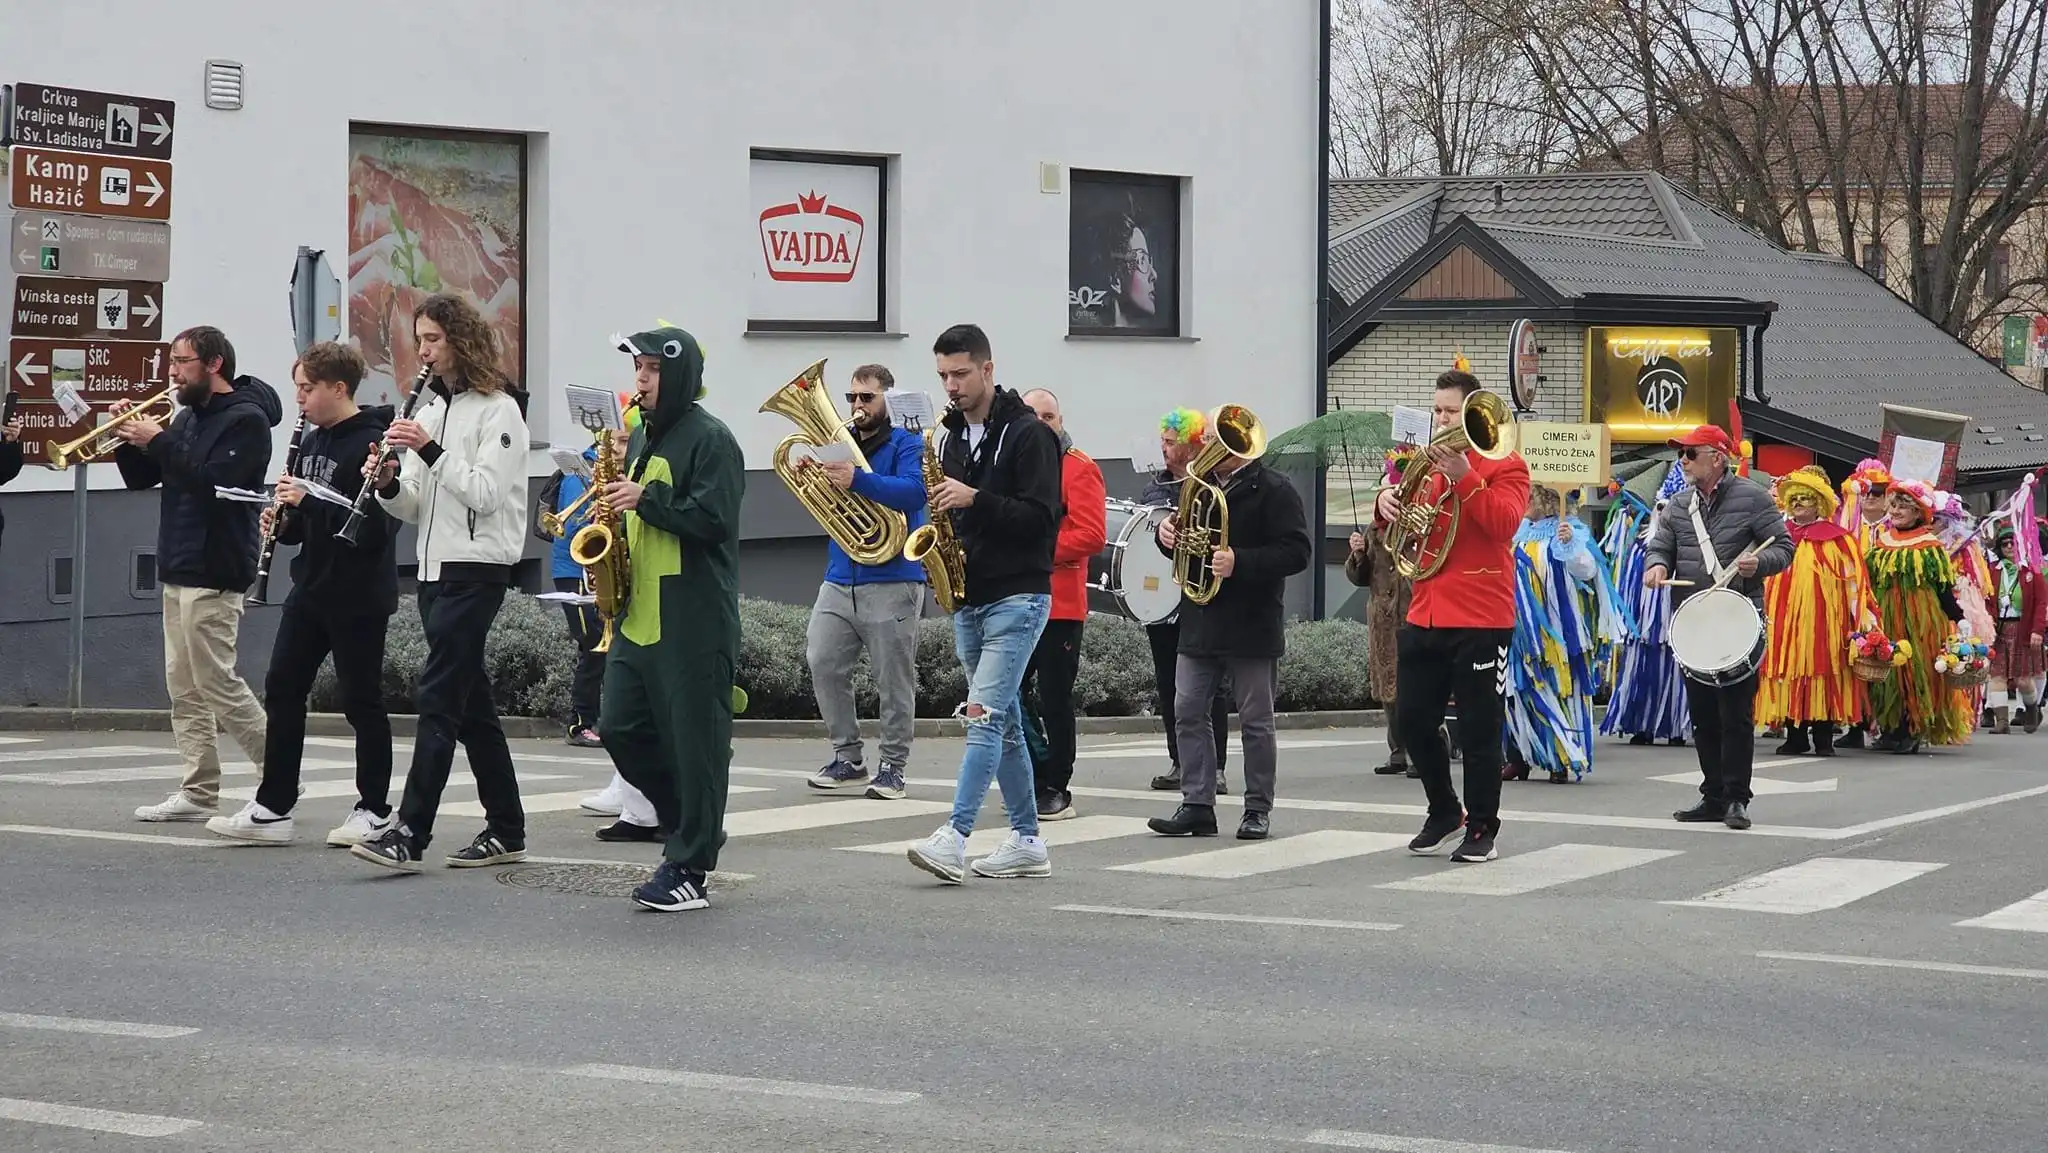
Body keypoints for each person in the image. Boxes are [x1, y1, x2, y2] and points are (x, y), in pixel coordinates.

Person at [351, 293, 533, 872]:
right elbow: (415, 507)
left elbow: (483, 492)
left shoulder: (499, 410)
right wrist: (385, 483)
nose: (422, 350)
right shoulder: (430, 411)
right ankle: (506, 826)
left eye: (432, 339)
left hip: (477, 569)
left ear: (459, 341)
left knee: (438, 699)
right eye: (420, 339)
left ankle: (410, 831)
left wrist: (429, 451)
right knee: (470, 703)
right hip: (432, 570)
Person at [206, 341, 397, 845]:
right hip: (310, 586)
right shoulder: (311, 442)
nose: (300, 399)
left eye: (308, 388)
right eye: (297, 388)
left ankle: (375, 808)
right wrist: (282, 520)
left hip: (358, 592)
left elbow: (372, 531)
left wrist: (308, 504)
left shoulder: (372, 443)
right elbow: (304, 524)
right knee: (283, 688)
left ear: (339, 388)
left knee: (362, 701)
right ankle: (274, 804)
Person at [589, 324, 745, 912]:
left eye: (651, 371)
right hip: (639, 614)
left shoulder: (712, 439)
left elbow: (714, 520)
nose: (640, 381)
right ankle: (689, 824)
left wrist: (643, 500)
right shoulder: (645, 437)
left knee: (697, 746)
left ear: (677, 375)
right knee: (619, 725)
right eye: (638, 371)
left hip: (692, 617)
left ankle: (689, 867)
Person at [905, 324, 1063, 884]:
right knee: (1009, 723)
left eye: (961, 374)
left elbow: (1044, 518)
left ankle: (955, 835)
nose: (950, 385)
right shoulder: (949, 438)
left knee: (984, 717)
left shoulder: (1028, 435)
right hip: (971, 594)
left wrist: (977, 499)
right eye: (943, 375)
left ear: (989, 370)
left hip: (1019, 594)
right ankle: (1026, 840)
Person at [112, 325, 283, 822]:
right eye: (170, 364)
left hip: (218, 565)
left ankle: (278, 779)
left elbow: (216, 483)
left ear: (213, 365)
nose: (171, 373)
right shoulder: (187, 417)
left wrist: (160, 439)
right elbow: (142, 479)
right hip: (179, 562)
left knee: (216, 682)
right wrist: (127, 437)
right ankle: (198, 789)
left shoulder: (247, 421)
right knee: (183, 687)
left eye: (181, 363)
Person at [1373, 367, 1530, 863]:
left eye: (1449, 411)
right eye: (1436, 409)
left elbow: (1504, 524)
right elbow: (1404, 531)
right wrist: (1385, 504)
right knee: (1415, 721)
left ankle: (1483, 827)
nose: (1440, 419)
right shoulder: (1424, 466)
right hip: (1427, 608)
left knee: (1481, 730)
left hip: (1483, 615)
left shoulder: (1507, 466)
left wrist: (1465, 477)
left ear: (1470, 414)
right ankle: (1444, 808)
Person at [1149, 410, 1312, 840]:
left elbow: (1297, 552)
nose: (1209, 450)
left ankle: (1257, 808)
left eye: (1220, 444)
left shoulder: (1276, 489)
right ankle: (1197, 803)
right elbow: (1187, 544)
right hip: (1201, 618)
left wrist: (1241, 561)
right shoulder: (1196, 487)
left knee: (1256, 720)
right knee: (1186, 709)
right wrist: (1165, 536)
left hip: (1251, 622)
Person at [1644, 424, 1793, 830]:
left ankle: (1736, 798)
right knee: (1703, 716)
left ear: (1718, 457)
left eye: (1691, 454)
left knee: (1736, 715)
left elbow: (1784, 547)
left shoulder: (1753, 497)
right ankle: (1712, 795)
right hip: (1694, 619)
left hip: (1738, 617)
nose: (1683, 461)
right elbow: (1661, 545)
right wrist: (1656, 565)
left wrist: (1758, 564)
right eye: (1682, 454)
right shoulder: (1677, 504)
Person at [803, 363, 930, 802]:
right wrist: (812, 476)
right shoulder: (839, 446)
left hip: (894, 577)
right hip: (840, 576)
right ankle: (848, 758)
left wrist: (858, 479)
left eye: (867, 398)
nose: (857, 406)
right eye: (852, 398)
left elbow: (915, 492)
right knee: (822, 660)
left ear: (887, 401)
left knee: (892, 679)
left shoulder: (908, 443)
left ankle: (893, 767)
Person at [1018, 387, 1106, 821]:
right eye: (1032, 415)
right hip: (1015, 597)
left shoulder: (1080, 467)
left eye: (1048, 416)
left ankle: (1056, 785)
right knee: (1010, 694)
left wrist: (1033, 548)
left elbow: (1091, 535)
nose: (1040, 423)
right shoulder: (1016, 464)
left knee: (1055, 698)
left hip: (1060, 605)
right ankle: (1036, 773)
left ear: (1060, 419)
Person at [1503, 487, 1622, 783]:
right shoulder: (1519, 533)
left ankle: (1561, 757)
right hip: (1519, 632)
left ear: (1545, 501)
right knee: (1517, 691)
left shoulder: (1572, 531)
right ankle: (1518, 757)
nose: (1524, 501)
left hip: (1558, 634)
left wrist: (1571, 547)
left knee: (1557, 689)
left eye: (1529, 497)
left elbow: (1588, 571)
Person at [1142, 409, 1232, 795]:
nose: (1163, 448)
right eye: (1162, 440)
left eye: (1170, 441)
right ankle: (1180, 761)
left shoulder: (1213, 485)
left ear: (1192, 444)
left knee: (1210, 686)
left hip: (1201, 596)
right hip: (1161, 597)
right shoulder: (1153, 489)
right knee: (1169, 684)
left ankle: (1218, 767)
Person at [1755, 465, 1873, 758]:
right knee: (1791, 670)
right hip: (1784, 621)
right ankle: (1795, 735)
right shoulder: (1780, 536)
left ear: (1819, 503)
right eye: (1793, 499)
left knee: (1824, 668)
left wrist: (1861, 615)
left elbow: (1853, 581)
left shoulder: (1839, 539)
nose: (1797, 504)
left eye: (1804, 499)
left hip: (1825, 621)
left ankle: (1823, 737)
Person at [1864, 479, 1971, 753]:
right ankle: (1891, 728)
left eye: (1903, 506)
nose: (1897, 511)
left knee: (1917, 673)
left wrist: (1958, 617)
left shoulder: (1929, 545)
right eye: (1894, 505)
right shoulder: (1881, 542)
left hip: (1922, 620)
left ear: (1917, 512)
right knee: (1888, 672)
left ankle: (1913, 729)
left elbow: (1943, 587)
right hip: (1888, 618)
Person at [549, 430, 621, 750]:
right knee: (593, 646)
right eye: (618, 442)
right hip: (574, 571)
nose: (622, 449)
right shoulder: (580, 473)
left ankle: (603, 719)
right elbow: (574, 525)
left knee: (602, 649)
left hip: (594, 568)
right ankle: (580, 724)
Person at [1345, 526, 1415, 776]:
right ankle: (1398, 751)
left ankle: (1424, 751)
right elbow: (1360, 577)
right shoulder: (1373, 531)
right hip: (1382, 619)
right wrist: (1358, 555)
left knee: (1417, 685)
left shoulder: (1417, 524)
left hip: (1413, 612)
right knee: (1388, 686)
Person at [1984, 523, 2046, 733]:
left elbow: (2041, 602)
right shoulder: (1993, 572)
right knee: (1997, 675)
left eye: (2013, 543)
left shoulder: (2032, 571)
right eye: (2005, 544)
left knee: (2023, 679)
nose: (2009, 547)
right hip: (2000, 628)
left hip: (2023, 628)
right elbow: (1987, 599)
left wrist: (2038, 630)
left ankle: (2032, 709)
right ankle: (2001, 722)